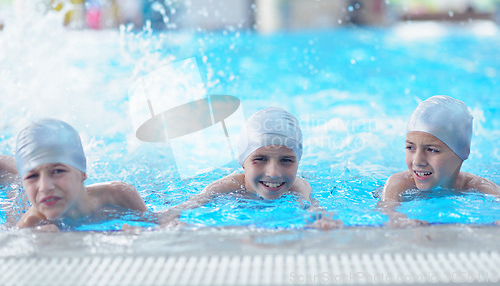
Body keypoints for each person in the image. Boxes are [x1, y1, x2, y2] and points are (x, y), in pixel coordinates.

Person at [160, 107, 342, 229]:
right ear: (242, 162)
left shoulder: (298, 186)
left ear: (298, 163)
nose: (273, 172)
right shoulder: (228, 185)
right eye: (260, 159)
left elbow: (314, 209)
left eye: (286, 160)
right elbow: (188, 205)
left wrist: (322, 220)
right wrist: (171, 220)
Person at [379, 95, 500, 227]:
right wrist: (398, 219)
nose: (418, 161)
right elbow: (387, 208)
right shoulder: (398, 183)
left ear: (463, 151)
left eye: (432, 150)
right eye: (410, 147)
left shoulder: (477, 185)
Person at [15, 119, 148, 229]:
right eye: (31, 176)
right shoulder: (30, 224)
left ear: (82, 172)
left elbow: (160, 225)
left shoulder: (118, 195)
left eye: (57, 171)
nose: (44, 186)